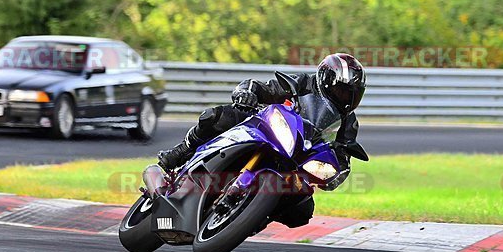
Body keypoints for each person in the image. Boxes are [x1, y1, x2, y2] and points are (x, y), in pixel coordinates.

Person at [157, 53, 367, 192]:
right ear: (326, 80)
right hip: (268, 127)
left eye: (351, 94)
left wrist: (334, 174)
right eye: (342, 90)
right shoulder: (304, 83)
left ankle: (247, 218)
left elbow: (342, 161)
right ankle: (181, 152)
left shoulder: (348, 122)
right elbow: (262, 88)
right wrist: (247, 94)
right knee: (215, 117)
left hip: (299, 158)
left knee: (302, 210)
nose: (345, 97)